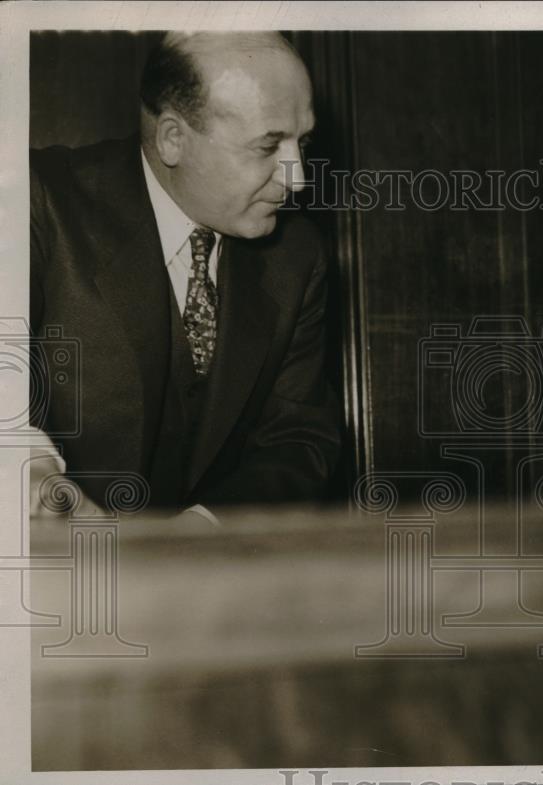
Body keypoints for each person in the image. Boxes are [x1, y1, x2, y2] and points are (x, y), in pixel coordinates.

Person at [29, 31, 340, 520]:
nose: (297, 177)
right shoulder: (37, 200)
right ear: (173, 139)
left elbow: (299, 440)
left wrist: (204, 533)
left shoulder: (298, 257)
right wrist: (33, 478)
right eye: (267, 147)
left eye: (302, 142)